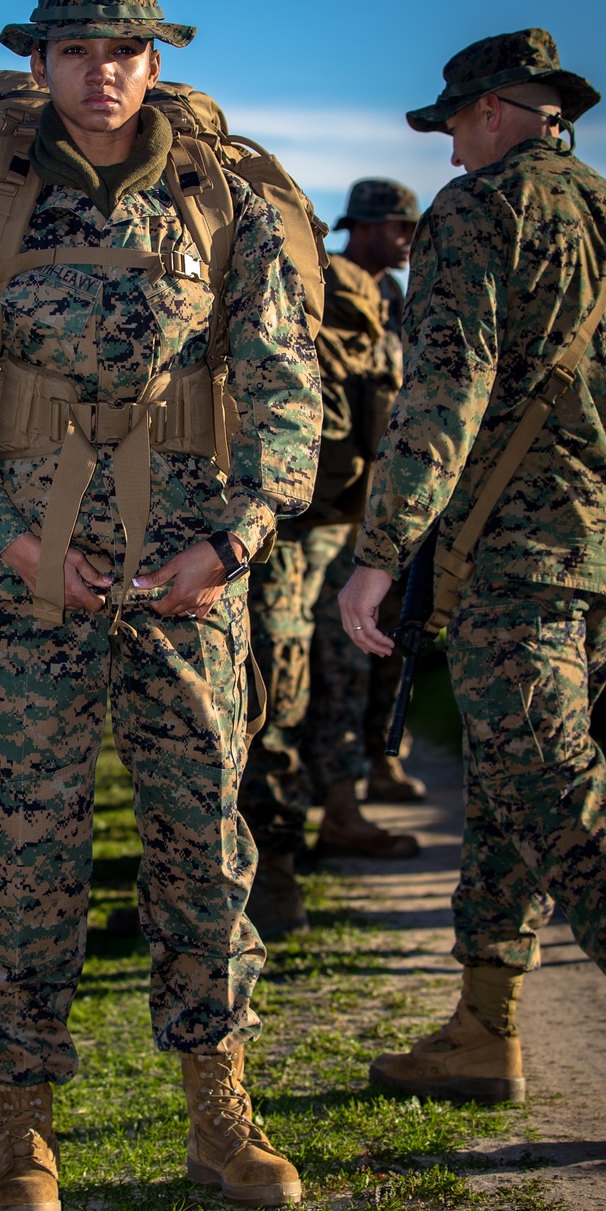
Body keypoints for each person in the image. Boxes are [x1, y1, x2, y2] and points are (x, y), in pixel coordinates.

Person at [0, 0, 322, 1211]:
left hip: (187, 575)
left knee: (203, 845)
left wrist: (233, 540)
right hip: (27, 571)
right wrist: (12, 546)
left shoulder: (218, 205)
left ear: (154, 60)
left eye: (122, 50)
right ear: (38, 64)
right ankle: (21, 1124)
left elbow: (287, 388)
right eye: (74, 51)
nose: (99, 71)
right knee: (28, 853)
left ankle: (218, 1111)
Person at [339, 28, 606, 1104]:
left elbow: (441, 393)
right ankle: (482, 1027)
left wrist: (380, 552)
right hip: (592, 548)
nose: (448, 155)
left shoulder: (481, 209)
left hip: (518, 556)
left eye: (452, 126)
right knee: (506, 786)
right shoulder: (596, 205)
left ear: (493, 111)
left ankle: (484, 1024)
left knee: (557, 800)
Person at [241, 237, 417, 938]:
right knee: (314, 672)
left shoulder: (307, 303)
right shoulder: (364, 317)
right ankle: (322, 822)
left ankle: (275, 872)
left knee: (277, 685)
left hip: (289, 526)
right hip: (332, 519)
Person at [328, 180, 426, 806]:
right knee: (345, 649)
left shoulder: (392, 295)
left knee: (395, 638)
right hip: (341, 506)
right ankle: (337, 783)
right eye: (398, 228)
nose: (407, 241)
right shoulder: (333, 291)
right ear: (364, 227)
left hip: (386, 499)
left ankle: (382, 759)